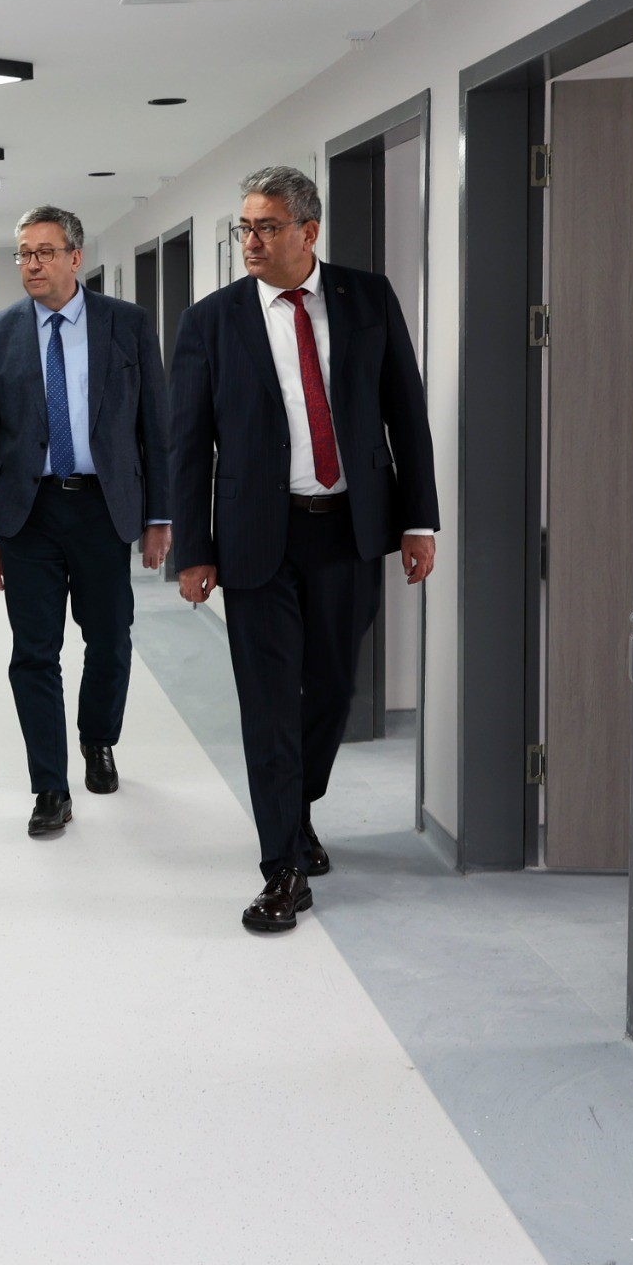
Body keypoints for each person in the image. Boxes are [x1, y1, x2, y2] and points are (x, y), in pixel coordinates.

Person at [169, 166, 438, 933]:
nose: (251, 242)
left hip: (348, 529)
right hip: (257, 534)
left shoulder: (367, 299)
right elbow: (188, 443)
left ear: (308, 232)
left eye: (266, 227)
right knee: (266, 704)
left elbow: (405, 413)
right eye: (244, 228)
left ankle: (296, 804)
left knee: (331, 689)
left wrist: (419, 521)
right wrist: (194, 549)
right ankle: (282, 866)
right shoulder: (211, 321)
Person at [0, 207, 172, 838]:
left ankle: (98, 738)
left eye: (45, 252)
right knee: (34, 652)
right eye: (23, 253)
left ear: (75, 257)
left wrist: (159, 517)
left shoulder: (127, 324)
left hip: (102, 508)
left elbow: (155, 427)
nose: (32, 264)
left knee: (110, 639)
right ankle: (49, 786)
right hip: (28, 514)